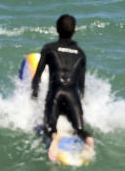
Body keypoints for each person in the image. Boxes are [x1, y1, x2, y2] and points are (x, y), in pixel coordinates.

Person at [31, 14, 94, 151]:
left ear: (56, 29)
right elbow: (81, 85)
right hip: (72, 96)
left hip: (56, 94)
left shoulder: (49, 48)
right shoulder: (80, 53)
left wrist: (34, 95)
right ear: (74, 30)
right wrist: (80, 102)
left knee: (48, 126)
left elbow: (37, 76)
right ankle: (88, 139)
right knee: (79, 128)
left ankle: (55, 136)